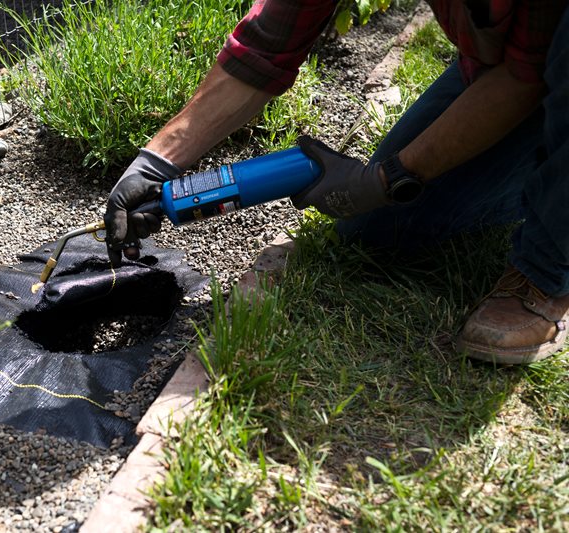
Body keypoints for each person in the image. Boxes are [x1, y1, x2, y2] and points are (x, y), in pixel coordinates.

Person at [104, 0, 569, 365]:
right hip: (514, 65)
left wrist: (390, 177)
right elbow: (269, 43)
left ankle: (548, 272)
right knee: (377, 228)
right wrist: (156, 162)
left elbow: (523, 76)